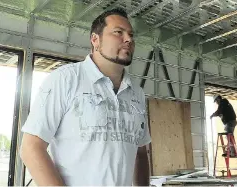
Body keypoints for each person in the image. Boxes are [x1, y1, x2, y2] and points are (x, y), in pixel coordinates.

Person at [20, 8, 151, 186]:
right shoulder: (65, 80)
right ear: (95, 40)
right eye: (118, 32)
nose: (128, 39)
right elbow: (31, 148)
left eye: (130, 34)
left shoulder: (137, 93)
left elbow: (141, 151)